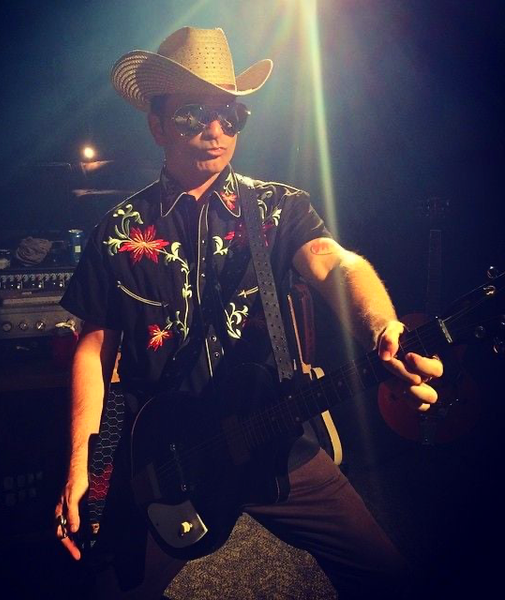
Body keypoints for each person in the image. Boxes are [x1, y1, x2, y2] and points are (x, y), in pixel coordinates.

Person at [54, 26, 443, 599]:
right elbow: (93, 352)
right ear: (157, 125)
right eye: (192, 114)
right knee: (110, 588)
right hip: (166, 453)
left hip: (272, 435)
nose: (214, 129)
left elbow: (336, 264)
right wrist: (82, 466)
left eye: (229, 115)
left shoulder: (279, 208)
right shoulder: (117, 233)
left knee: (388, 578)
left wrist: (382, 328)